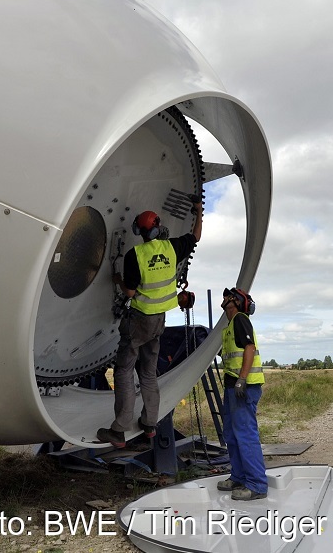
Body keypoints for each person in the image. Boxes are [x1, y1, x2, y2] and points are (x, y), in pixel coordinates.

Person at [96, 198, 202, 448]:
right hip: (159, 322)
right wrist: (198, 212)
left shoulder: (136, 255)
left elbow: (130, 293)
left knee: (123, 371)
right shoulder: (171, 248)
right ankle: (149, 424)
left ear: (138, 232)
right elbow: (196, 236)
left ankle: (119, 430)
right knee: (148, 373)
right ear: (158, 228)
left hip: (139, 321)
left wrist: (118, 280)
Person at [216, 286, 268, 500]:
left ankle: (256, 485)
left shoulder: (239, 319)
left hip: (243, 388)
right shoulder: (230, 326)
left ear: (235, 301)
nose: (224, 298)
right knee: (231, 434)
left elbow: (249, 348)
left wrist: (242, 380)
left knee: (245, 434)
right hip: (232, 387)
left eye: (227, 296)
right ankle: (238, 476)